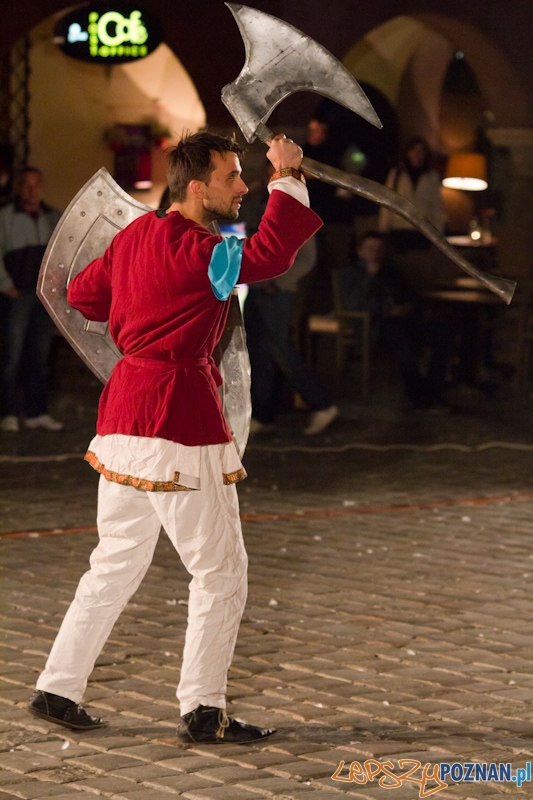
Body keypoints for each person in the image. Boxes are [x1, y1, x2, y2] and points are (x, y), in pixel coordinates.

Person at [27, 131, 322, 743]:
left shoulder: (135, 237)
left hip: (123, 416)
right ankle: (203, 709)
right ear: (196, 186)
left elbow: (82, 294)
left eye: (247, 177)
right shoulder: (201, 250)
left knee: (113, 563)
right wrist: (286, 175)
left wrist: (139, 298)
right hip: (175, 419)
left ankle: (58, 688)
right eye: (232, 177)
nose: (242, 188)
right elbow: (268, 255)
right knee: (221, 570)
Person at [239, 161, 338, 436]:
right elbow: (245, 226)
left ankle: (320, 403)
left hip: (277, 290)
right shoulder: (258, 201)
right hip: (258, 286)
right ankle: (264, 413)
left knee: (280, 349)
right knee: (257, 351)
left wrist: (279, 281)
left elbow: (307, 257)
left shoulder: (296, 206)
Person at [338, 231, 451, 412]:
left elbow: (412, 297)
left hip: (405, 320)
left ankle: (433, 391)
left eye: (379, 249)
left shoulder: (392, 272)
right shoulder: (350, 274)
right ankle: (420, 396)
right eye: (370, 249)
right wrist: (371, 279)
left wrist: (408, 307)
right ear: (360, 251)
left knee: (441, 334)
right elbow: (353, 304)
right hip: (376, 324)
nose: (375, 254)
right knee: (402, 345)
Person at [0, 167, 63, 432]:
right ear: (18, 187)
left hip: (43, 298)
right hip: (18, 295)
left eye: (36, 184)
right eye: (26, 184)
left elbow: (63, 256)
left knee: (39, 355)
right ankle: (8, 412)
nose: (31, 189)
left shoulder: (53, 217)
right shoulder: (5, 218)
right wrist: (6, 286)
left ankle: (37, 411)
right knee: (11, 356)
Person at [378, 137, 445, 289]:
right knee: (399, 271)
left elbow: (436, 206)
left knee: (419, 272)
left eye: (421, 151)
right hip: (399, 230)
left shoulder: (431, 176)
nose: (417, 154)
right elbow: (387, 202)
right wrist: (383, 229)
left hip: (421, 232)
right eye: (414, 150)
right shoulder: (396, 175)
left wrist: (438, 234)